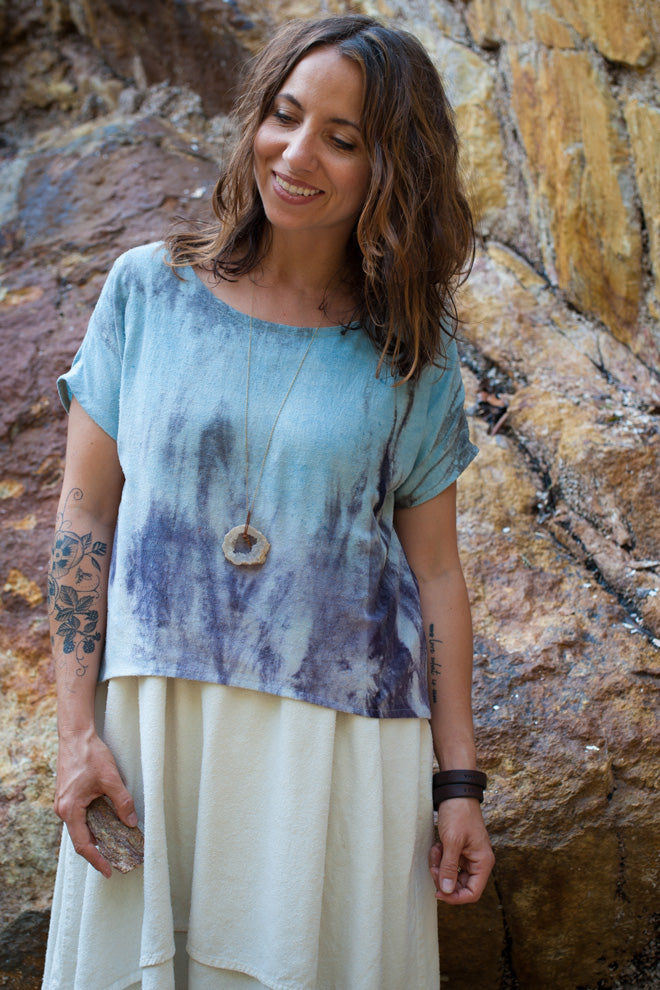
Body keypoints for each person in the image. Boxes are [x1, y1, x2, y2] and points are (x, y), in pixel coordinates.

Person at [42, 14, 494, 990]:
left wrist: (459, 785)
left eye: (343, 138)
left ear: (393, 168)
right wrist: (77, 733)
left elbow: (437, 576)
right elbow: (84, 520)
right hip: (153, 732)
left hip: (338, 747)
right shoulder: (147, 292)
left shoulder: (410, 355)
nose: (297, 154)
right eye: (285, 117)